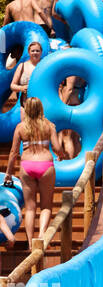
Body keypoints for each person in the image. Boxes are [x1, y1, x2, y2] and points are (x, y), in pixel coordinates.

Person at [3, 97, 61, 246]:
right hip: (45, 165)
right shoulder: (49, 126)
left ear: (27, 110)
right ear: (41, 109)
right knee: (46, 206)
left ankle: (30, 243)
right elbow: (57, 148)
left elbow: (13, 153)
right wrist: (62, 156)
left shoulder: (21, 127)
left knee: (30, 208)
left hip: (27, 166)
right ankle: (41, 236)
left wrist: (9, 173)